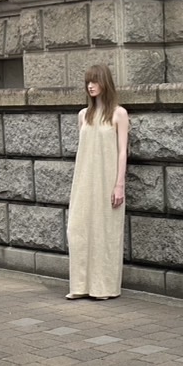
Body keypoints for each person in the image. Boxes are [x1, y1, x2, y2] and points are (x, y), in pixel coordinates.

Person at [66, 63, 128, 300]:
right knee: (78, 229)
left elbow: (123, 151)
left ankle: (103, 288)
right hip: (84, 181)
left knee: (105, 232)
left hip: (107, 181)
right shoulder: (83, 115)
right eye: (88, 82)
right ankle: (80, 286)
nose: (90, 86)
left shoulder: (119, 114)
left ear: (105, 83)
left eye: (95, 81)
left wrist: (119, 184)